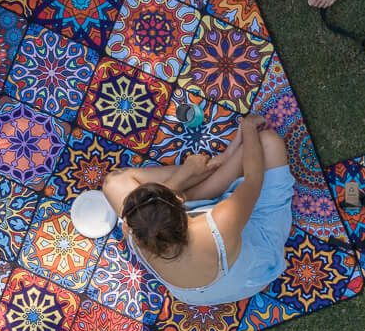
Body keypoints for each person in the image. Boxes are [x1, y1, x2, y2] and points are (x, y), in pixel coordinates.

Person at [101, 114, 295, 306]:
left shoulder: (136, 232)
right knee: (267, 141)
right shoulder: (218, 224)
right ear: (180, 202)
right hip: (252, 273)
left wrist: (185, 175)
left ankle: (217, 166)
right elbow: (254, 179)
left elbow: (160, 202)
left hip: (196, 296)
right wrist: (249, 129)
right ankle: (215, 167)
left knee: (114, 183)